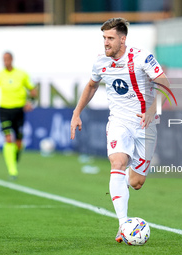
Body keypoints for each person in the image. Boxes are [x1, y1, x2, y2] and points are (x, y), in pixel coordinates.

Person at [70, 18, 170, 243]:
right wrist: (76, 113)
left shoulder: (141, 57)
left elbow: (164, 82)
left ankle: (121, 185)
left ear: (122, 39)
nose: (106, 43)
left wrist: (152, 110)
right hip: (119, 122)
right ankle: (123, 224)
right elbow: (91, 85)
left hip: (145, 124)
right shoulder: (100, 62)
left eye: (110, 38)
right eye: (104, 38)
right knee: (117, 162)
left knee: (136, 182)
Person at [0, 52, 37, 180]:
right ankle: (12, 170)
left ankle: (16, 156)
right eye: (4, 59)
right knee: (8, 138)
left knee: (18, 142)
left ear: (12, 60)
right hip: (4, 110)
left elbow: (33, 91)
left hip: (19, 110)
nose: (6, 62)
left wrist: (31, 103)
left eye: (7, 59)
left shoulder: (22, 74)